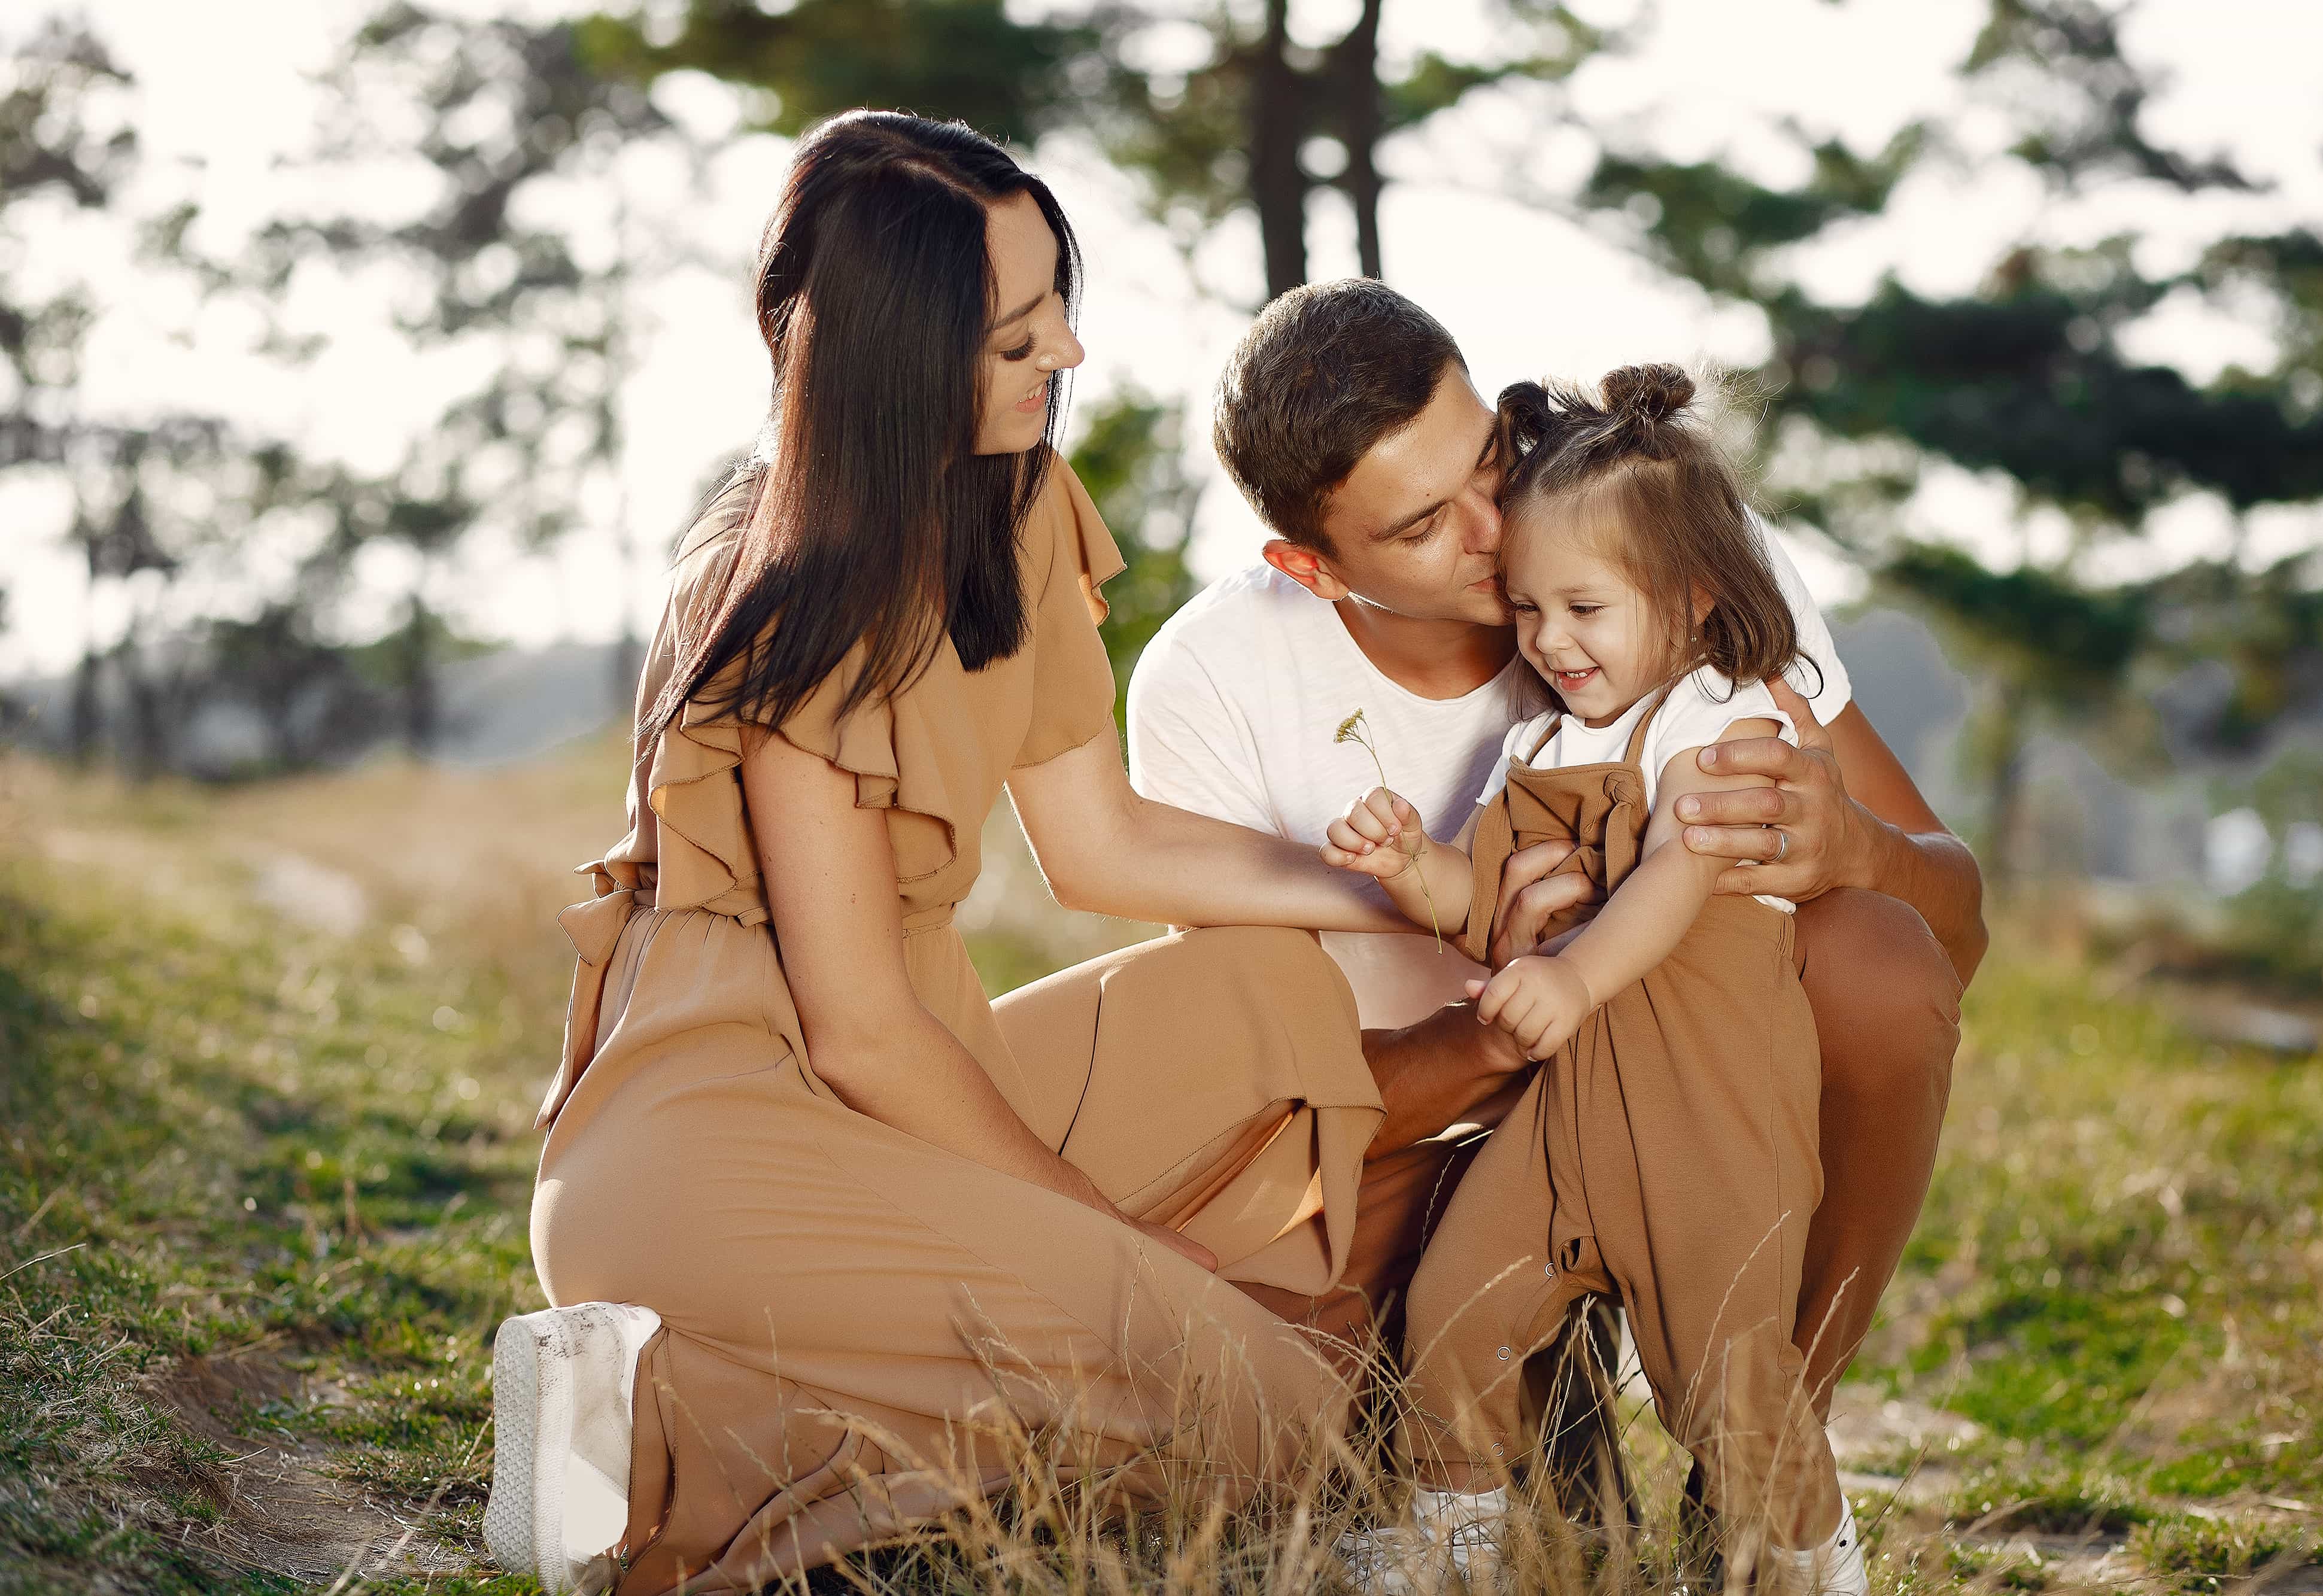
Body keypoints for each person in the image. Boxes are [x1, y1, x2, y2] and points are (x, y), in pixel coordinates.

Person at [489, 114, 1437, 1596]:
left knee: (1270, 991)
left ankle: (814, 1382)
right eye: (1016, 334)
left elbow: (1098, 840)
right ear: (893, 352)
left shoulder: (1017, 501)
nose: (1065, 346)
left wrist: (1410, 888)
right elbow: (857, 1030)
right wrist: (1123, 1250)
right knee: (1266, 1407)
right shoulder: (791, 584)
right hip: (722, 1126)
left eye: (1059, 296)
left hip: (923, 1064)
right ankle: (659, 1434)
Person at [1128, 281, 1978, 1549]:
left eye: (1489, 457)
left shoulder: (1652, 532)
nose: (1493, 530)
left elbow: (1953, 931)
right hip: (1414, 1137)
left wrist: (1849, 846)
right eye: (1423, 526)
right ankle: (1516, 1432)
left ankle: (1757, 1478)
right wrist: (1491, 1001)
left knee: (1879, 958)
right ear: (1309, 566)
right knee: (1310, 1445)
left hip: (1692, 1083)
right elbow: (1259, 1102)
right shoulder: (1210, 682)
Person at [1322, 367, 1866, 1591]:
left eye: (1582, 607)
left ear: (1692, 599)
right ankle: (1443, 1540)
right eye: (1525, 609)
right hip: (1566, 1122)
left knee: (1724, 1373)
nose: (1548, 641)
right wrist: (1415, 869)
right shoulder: (1539, 745)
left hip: (1704, 1120)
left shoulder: (1717, 718)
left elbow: (1682, 864)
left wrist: (1571, 976)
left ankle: (1811, 1557)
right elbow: (1482, 904)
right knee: (1455, 1310)